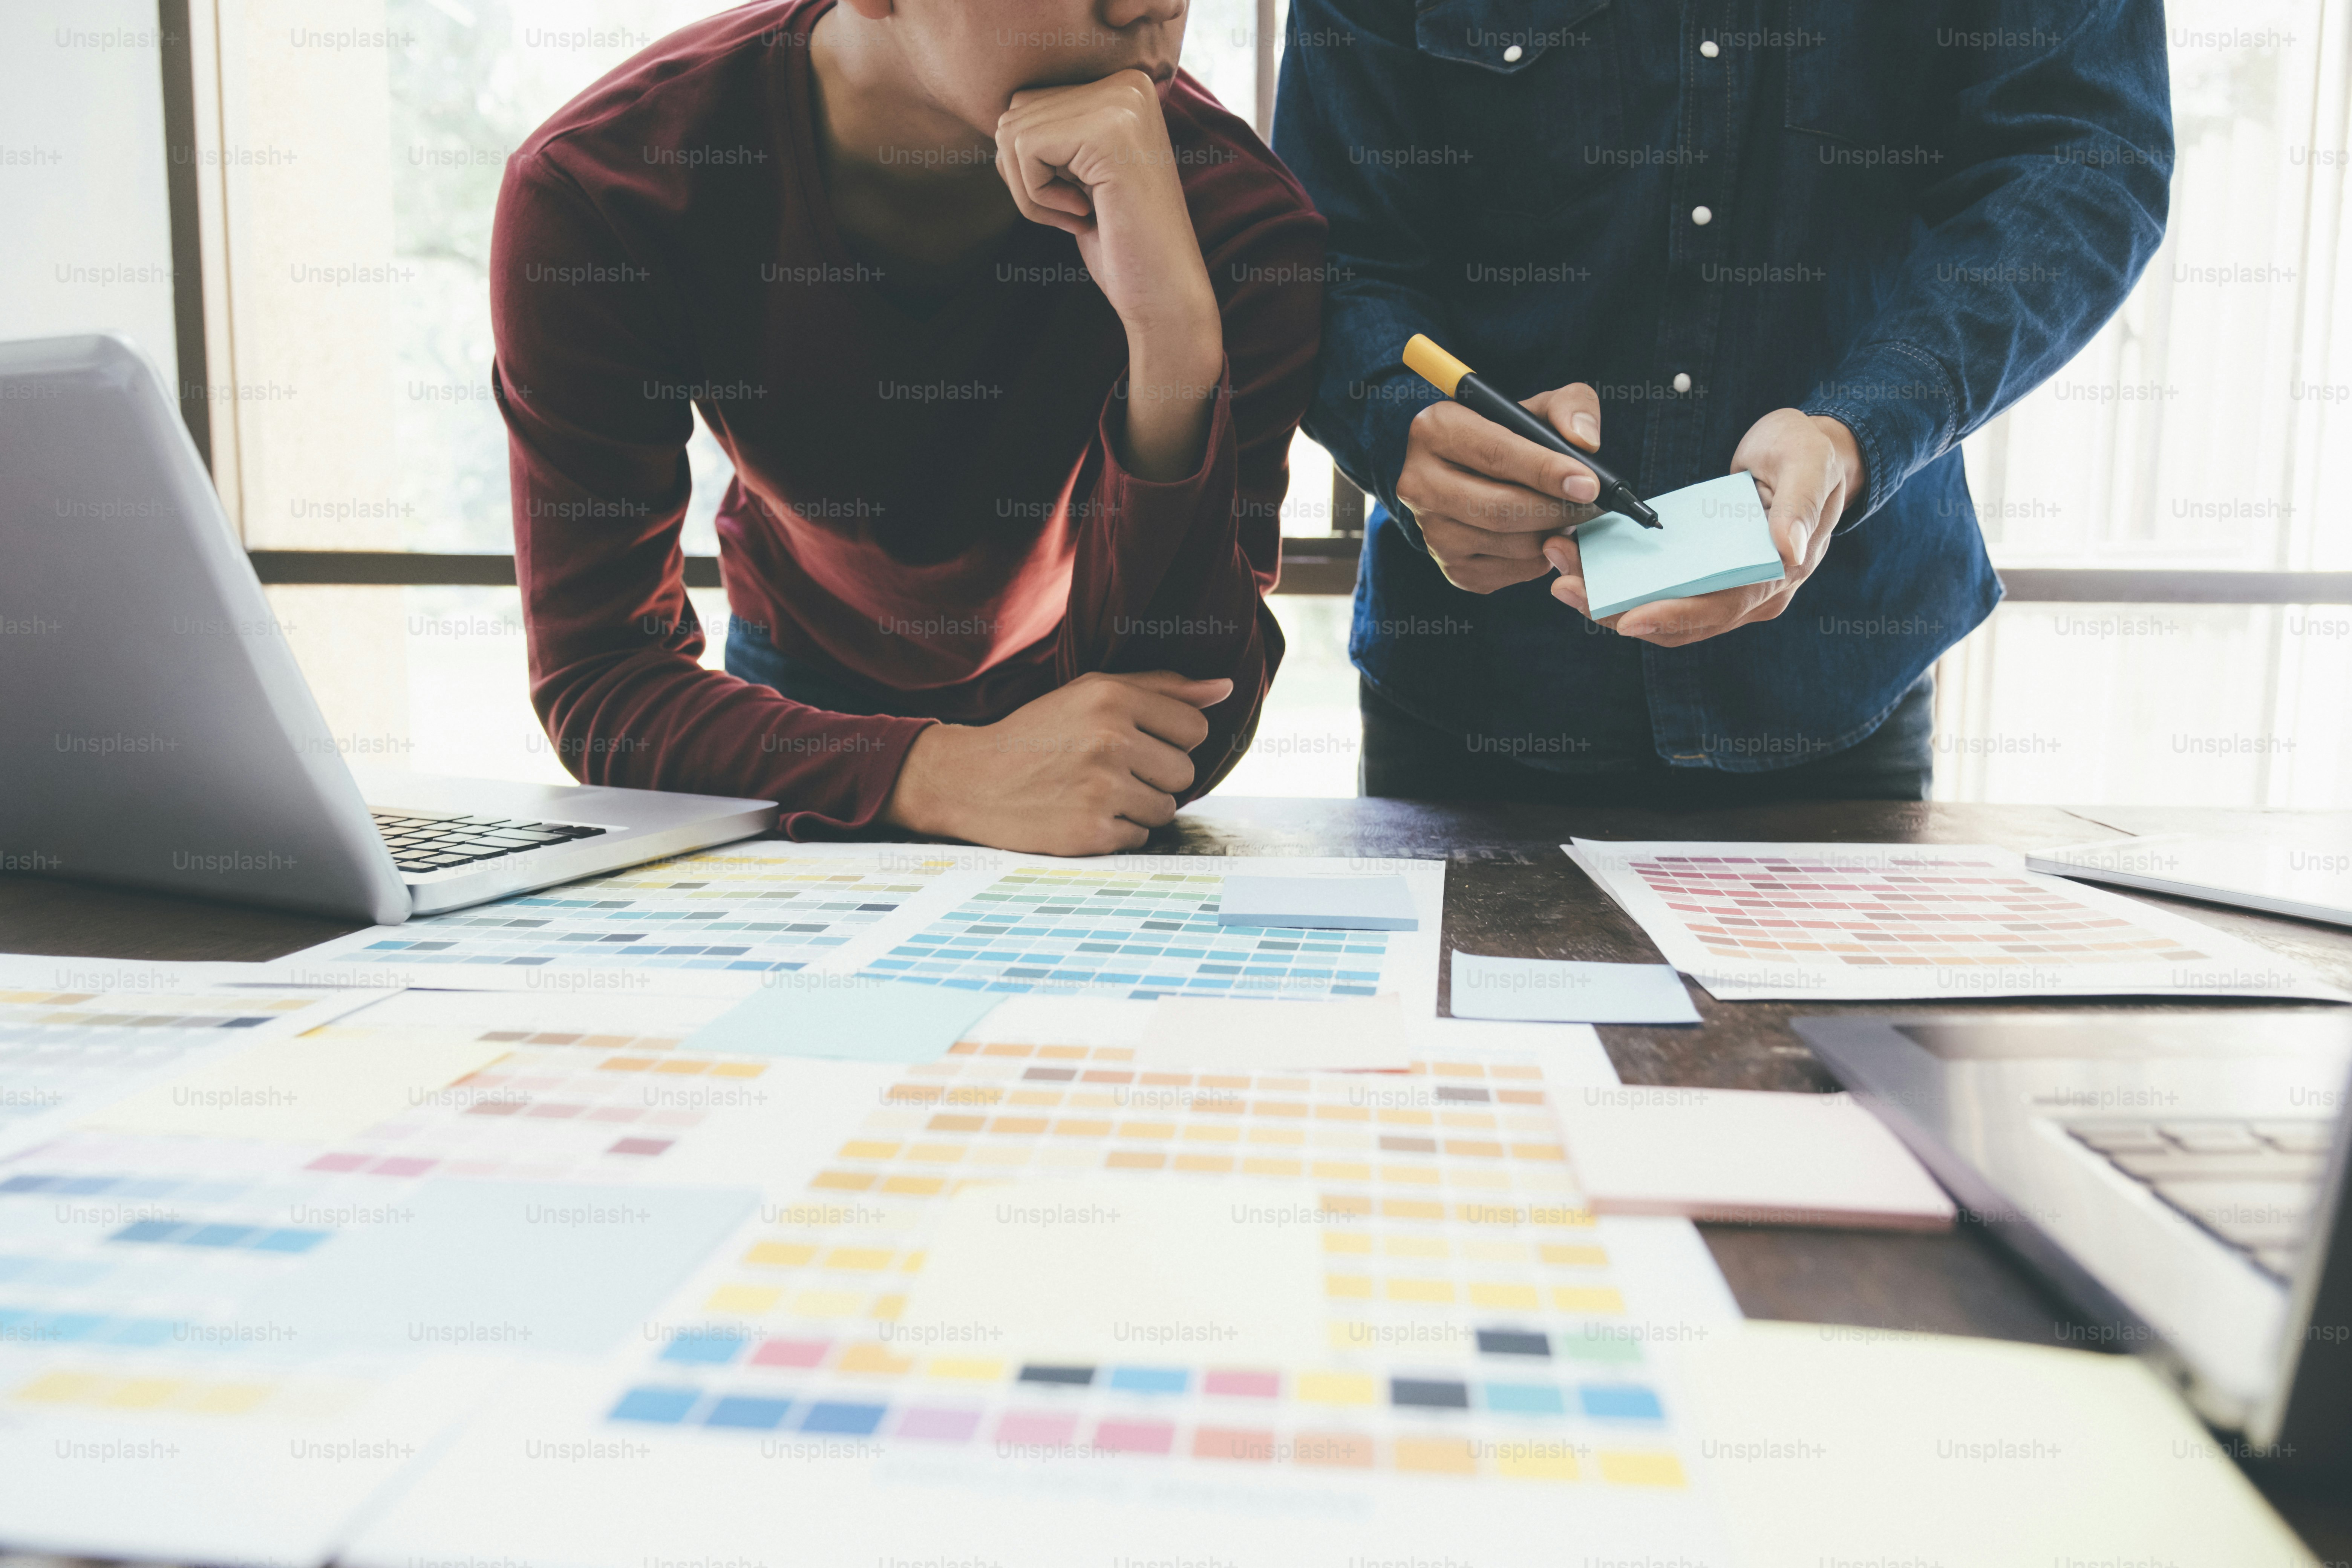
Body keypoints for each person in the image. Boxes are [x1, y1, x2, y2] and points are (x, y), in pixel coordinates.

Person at [1273, 3, 2172, 803]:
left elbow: (2085, 161)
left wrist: (1862, 430)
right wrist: (1396, 421)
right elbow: (1329, 243)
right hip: (1474, 690)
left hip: (1838, 679)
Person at [492, 0, 1325, 853]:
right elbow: (602, 678)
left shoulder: (1242, 224)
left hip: (1080, 685)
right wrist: (937, 773)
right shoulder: (603, 191)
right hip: (791, 696)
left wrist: (1174, 337)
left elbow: (1189, 729)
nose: (1153, 4)